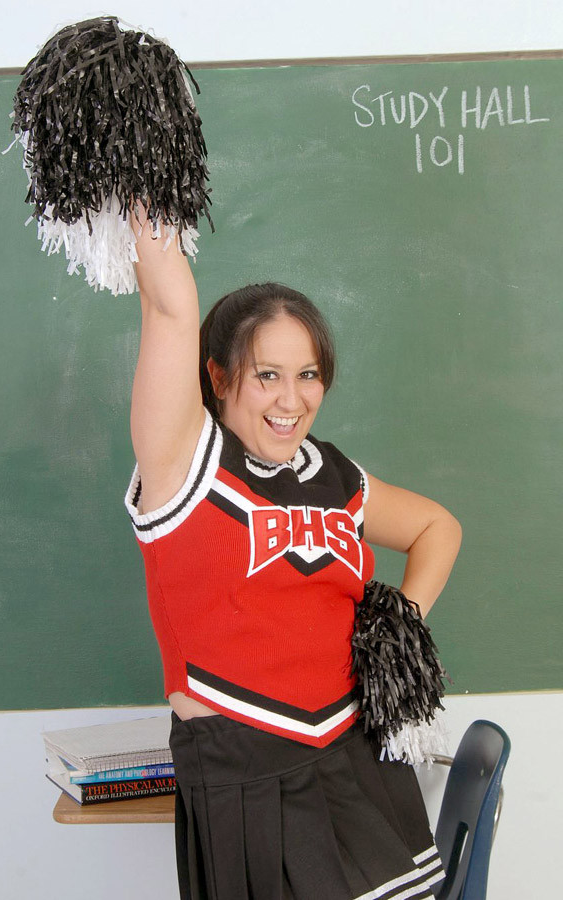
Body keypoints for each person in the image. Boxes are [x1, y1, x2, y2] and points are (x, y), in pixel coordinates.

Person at [124, 206, 462, 900]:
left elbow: (438, 528)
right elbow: (167, 307)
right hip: (246, 771)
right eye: (267, 375)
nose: (293, 399)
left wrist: (395, 629)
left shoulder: (333, 473)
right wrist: (146, 193)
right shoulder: (183, 469)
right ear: (218, 379)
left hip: (356, 756)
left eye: (308, 374)